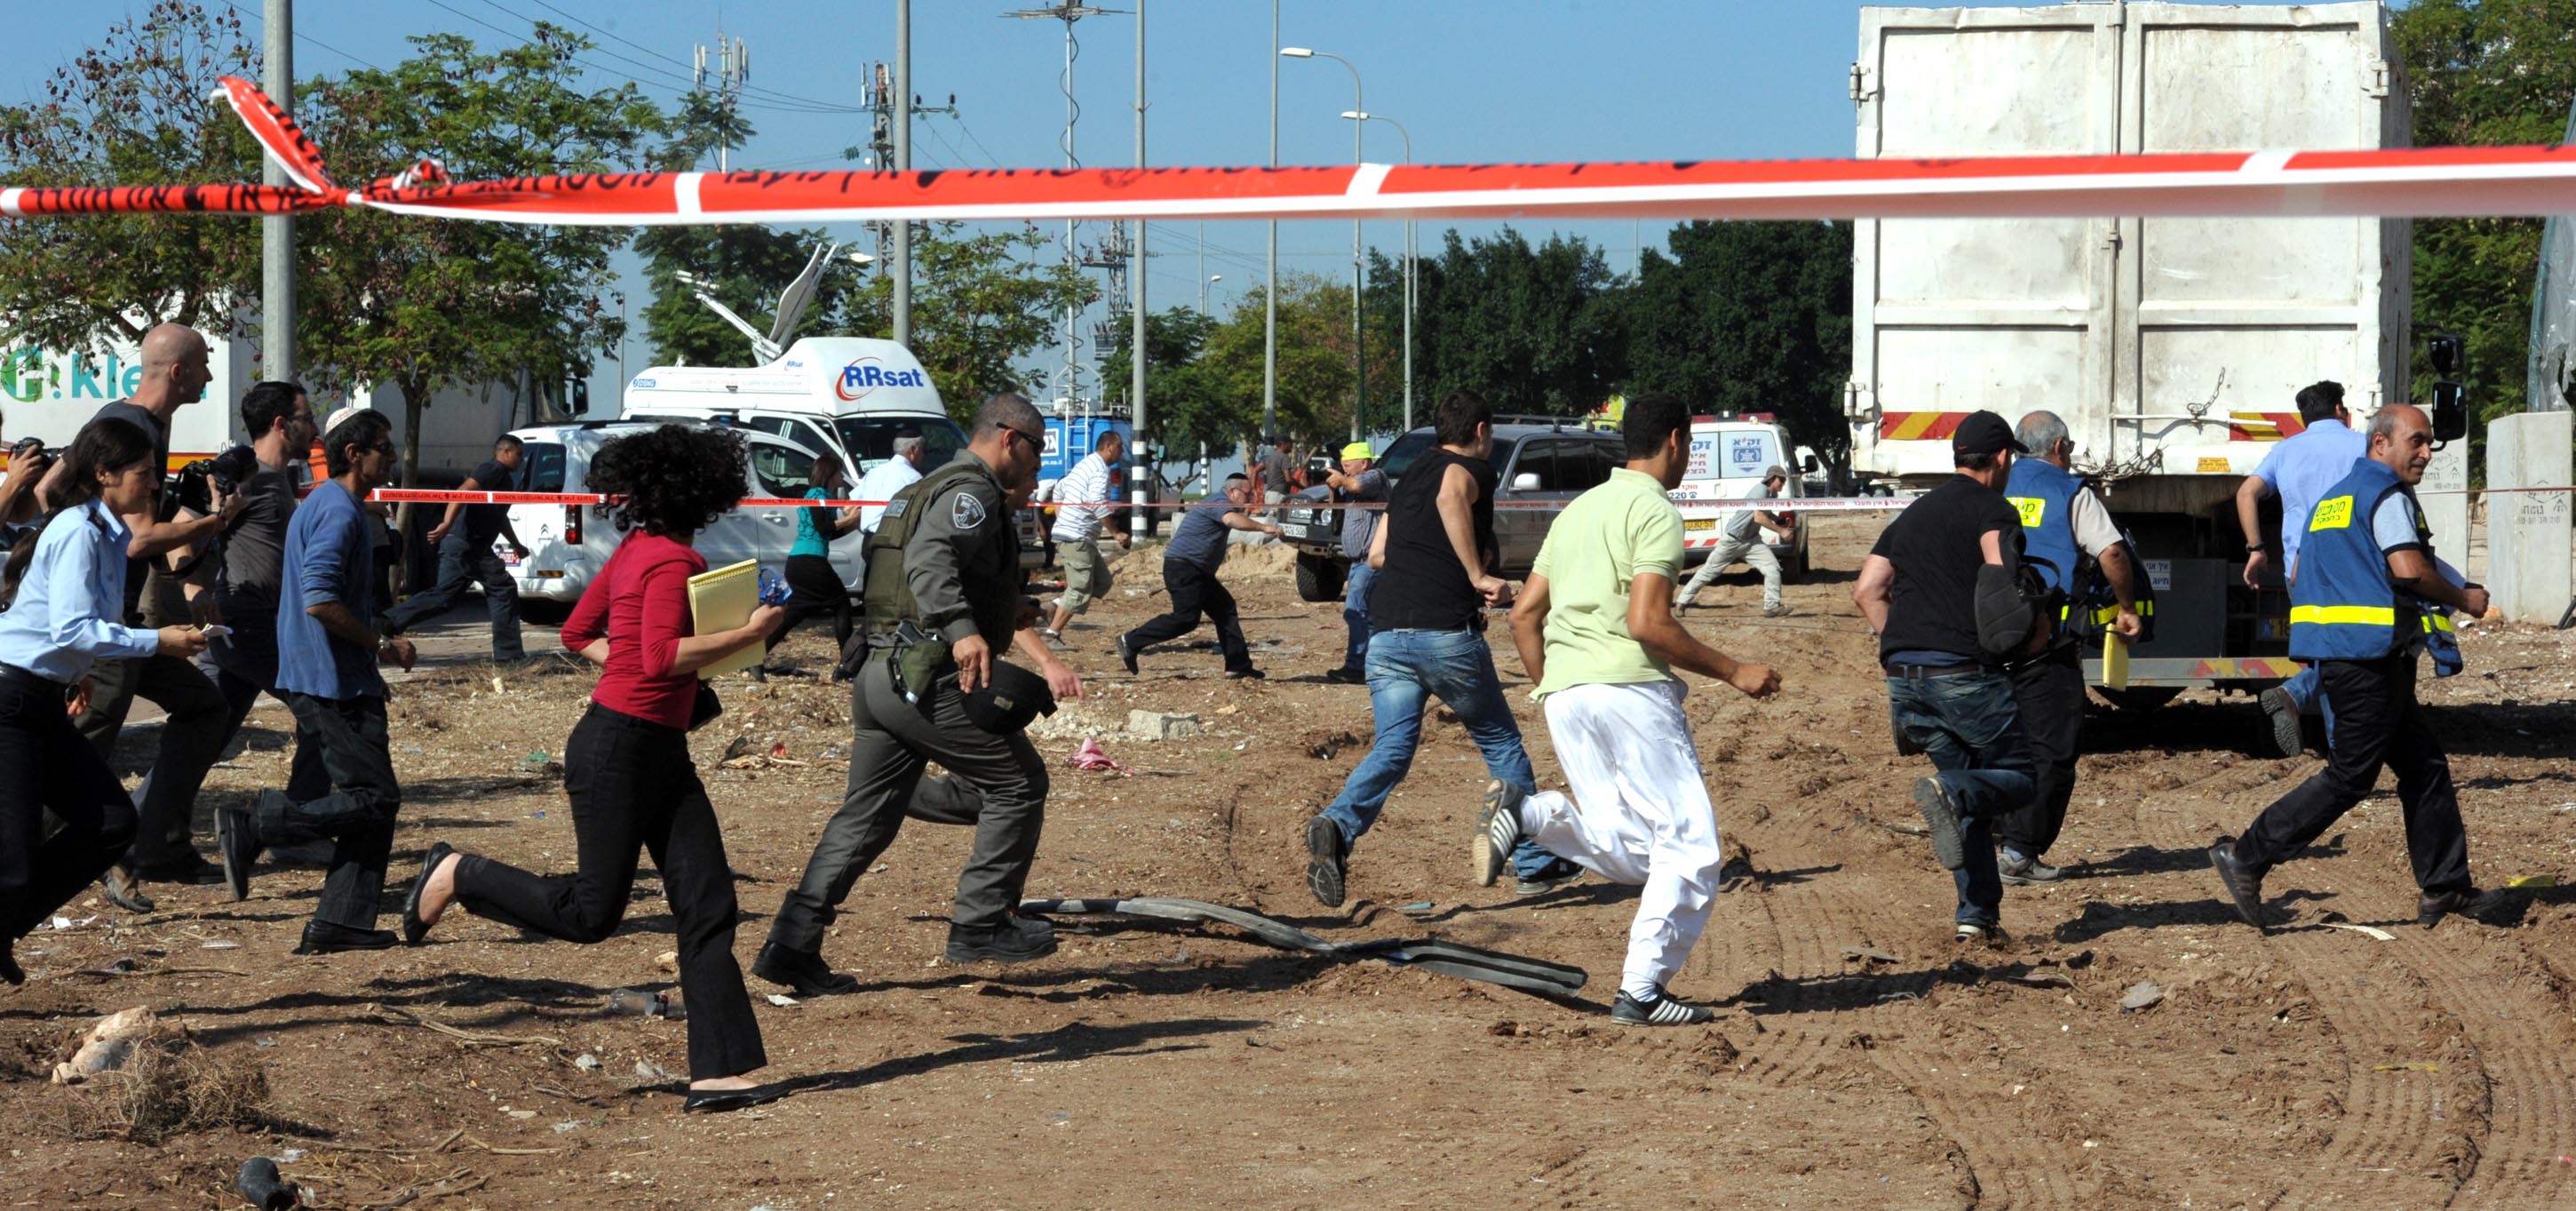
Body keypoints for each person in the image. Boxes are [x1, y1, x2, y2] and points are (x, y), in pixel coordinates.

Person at [402, 425, 794, 1112]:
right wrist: (751, 634)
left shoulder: (636, 547)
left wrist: (638, 679)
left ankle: (718, 1070)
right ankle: (459, 870)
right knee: (590, 914)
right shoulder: (671, 560)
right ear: (700, 493)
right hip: (620, 749)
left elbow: (581, 634)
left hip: (653, 746)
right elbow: (660, 658)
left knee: (707, 901)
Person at [756, 394, 1084, 994]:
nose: (1039, 469)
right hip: (925, 676)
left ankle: (791, 945)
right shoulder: (973, 491)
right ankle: (982, 921)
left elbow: (927, 570)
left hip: (881, 675)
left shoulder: (923, 486)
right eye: (1037, 452)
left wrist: (1007, 608)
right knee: (1018, 782)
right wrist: (962, 630)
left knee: (866, 817)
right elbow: (932, 561)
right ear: (1010, 440)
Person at [1490, 393, 1781, 1024]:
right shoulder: (1655, 512)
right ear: (1676, 440)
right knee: (1691, 846)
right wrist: (1735, 672)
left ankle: (1530, 811)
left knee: (1631, 849)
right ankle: (1642, 990)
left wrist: (1557, 686)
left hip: (1567, 694)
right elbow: (1648, 622)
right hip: (1629, 691)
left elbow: (1522, 615)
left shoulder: (1577, 511)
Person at [2209, 405, 2503, 931]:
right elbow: (2410, 569)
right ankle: (2247, 856)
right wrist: (2465, 598)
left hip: (2351, 656)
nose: (2427, 452)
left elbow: (2302, 568)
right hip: (2367, 661)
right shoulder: (2386, 494)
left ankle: (2446, 889)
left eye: (2430, 443)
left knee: (2423, 768)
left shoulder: (2333, 500)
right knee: (2350, 777)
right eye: (2416, 441)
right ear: (2380, 444)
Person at [1301, 390, 1572, 908]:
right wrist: (1475, 574)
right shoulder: (1467, 471)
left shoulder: (1406, 482)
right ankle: (1535, 865)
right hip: (1445, 636)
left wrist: (1428, 558)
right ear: (1480, 432)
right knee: (1501, 746)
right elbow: (1453, 494)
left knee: (1393, 750)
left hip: (1386, 639)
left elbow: (1378, 554)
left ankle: (1337, 825)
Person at [36, 324, 239, 909]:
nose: (207, 374)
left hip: (120, 617)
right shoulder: (132, 427)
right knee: (80, 752)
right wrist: (215, 522)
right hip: (98, 626)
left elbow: (55, 490)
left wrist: (192, 578)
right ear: (177, 371)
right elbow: (138, 537)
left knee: (205, 707)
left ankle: (161, 845)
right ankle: (29, 865)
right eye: (203, 364)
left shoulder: (132, 420)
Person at [0, 422, 210, 984]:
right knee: (12, 866)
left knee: (113, 824)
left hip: (42, 697)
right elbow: (72, 627)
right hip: (11, 699)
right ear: (104, 474)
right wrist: (158, 642)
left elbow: (75, 628)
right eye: (143, 473)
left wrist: (78, 675)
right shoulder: (79, 530)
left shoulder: (107, 531)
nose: (154, 484)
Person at [214, 408, 418, 954]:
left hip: (342, 677)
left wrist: (370, 663)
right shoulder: (338, 512)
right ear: (355, 454)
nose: (392, 457)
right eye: (384, 447)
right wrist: (379, 644)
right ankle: (258, 825)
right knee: (377, 799)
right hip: (329, 682)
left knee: (369, 803)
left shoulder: (330, 504)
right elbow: (320, 600)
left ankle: (342, 923)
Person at [1850, 410, 2039, 944]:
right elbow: (2000, 572)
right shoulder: (1992, 508)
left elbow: (1867, 590)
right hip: (1964, 674)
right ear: (2002, 458)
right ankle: (1948, 794)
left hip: (1905, 679)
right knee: (2019, 777)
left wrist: (1901, 648)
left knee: (1972, 792)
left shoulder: (1912, 514)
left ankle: (1976, 916)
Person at [1993, 410, 2142, 885]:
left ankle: (1991, 833)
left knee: (1999, 738)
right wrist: (2127, 607)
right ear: (2059, 447)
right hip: (2047, 640)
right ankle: (2019, 851)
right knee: (2054, 744)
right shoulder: (2070, 491)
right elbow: (2112, 552)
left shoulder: (1995, 484)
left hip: (1990, 636)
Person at [197, 383, 330, 817]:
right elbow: (181, 533)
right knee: (323, 713)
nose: (314, 428)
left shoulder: (279, 479)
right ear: (280, 424)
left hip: (250, 625)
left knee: (201, 738)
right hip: (246, 622)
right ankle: (292, 825)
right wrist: (194, 591)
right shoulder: (243, 474)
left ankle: (143, 834)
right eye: (306, 418)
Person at [2235, 381, 2366, 758]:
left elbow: (2246, 493)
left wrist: (2257, 549)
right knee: (2351, 658)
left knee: (2326, 654)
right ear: (2340, 409)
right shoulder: (2363, 446)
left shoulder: (2285, 450)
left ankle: (2339, 755)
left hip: (2300, 572)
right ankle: (2298, 695)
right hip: (2352, 567)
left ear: (2304, 417)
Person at [1115, 473, 1278, 679]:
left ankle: (1238, 665)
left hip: (1197, 571)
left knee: (1225, 610)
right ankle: (1130, 641)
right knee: (1186, 619)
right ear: (1233, 491)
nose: (1250, 498)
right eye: (1247, 493)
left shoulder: (1219, 502)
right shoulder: (1219, 502)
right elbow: (1232, 520)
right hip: (1184, 567)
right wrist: (1264, 527)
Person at [381, 434, 529, 662]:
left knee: (445, 598)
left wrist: (516, 544)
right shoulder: (493, 469)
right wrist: (446, 523)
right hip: (468, 544)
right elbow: (462, 492)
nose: (522, 459)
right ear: (506, 452)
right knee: (502, 588)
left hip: (470, 545)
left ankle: (385, 622)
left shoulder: (502, 479)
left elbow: (500, 518)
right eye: (519, 454)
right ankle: (509, 656)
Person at [769, 450, 863, 665]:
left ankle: (758, 655)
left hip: (800, 561)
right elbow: (823, 528)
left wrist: (852, 525)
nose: (841, 478)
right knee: (841, 605)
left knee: (796, 611)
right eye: (839, 474)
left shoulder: (821, 497)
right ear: (830, 475)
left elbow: (829, 533)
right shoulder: (818, 496)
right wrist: (850, 518)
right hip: (810, 561)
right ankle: (847, 663)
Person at [1672, 465, 1794, 617]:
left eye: (1784, 481)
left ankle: (1772, 606)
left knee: (1772, 568)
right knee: (1708, 572)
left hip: (1751, 540)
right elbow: (1759, 517)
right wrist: (1781, 531)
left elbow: (1765, 513)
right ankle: (1682, 602)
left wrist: (1778, 520)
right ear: (1771, 479)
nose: (1783, 484)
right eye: (1781, 480)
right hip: (1733, 540)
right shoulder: (1761, 490)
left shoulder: (1771, 495)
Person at [1043, 429, 1129, 644]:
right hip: (1075, 538)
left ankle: (1053, 606)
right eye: (1120, 447)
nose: (1122, 452)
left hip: (1080, 536)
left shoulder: (1085, 464)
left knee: (1102, 582)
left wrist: (1062, 516)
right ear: (1110, 447)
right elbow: (1097, 503)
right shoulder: (1099, 471)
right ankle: (1051, 636)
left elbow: (1060, 489)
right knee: (1080, 589)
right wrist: (1116, 533)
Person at [1321, 441, 1389, 684]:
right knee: (1366, 615)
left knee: (1356, 612)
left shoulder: (1374, 476)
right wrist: (1334, 488)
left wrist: (1342, 480)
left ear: (1364, 462)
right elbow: (1336, 511)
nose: (1346, 470)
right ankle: (1371, 664)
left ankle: (1356, 666)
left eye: (1348, 465)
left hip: (1370, 560)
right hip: (1358, 562)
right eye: (1343, 466)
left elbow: (1358, 484)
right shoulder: (1350, 485)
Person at [851, 428, 929, 537]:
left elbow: (849, 508)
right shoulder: (913, 477)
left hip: (868, 540)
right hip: (891, 541)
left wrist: (865, 530)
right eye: (923, 450)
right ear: (912, 450)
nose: (923, 456)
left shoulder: (873, 472)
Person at [1255, 434, 1296, 506]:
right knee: (1274, 517)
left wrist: (1253, 489)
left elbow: (1255, 471)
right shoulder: (1284, 457)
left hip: (1268, 495)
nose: (1292, 447)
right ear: (1284, 444)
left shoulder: (1270, 457)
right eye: (1290, 444)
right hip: (1278, 495)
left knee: (1276, 517)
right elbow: (1289, 479)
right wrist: (1302, 487)